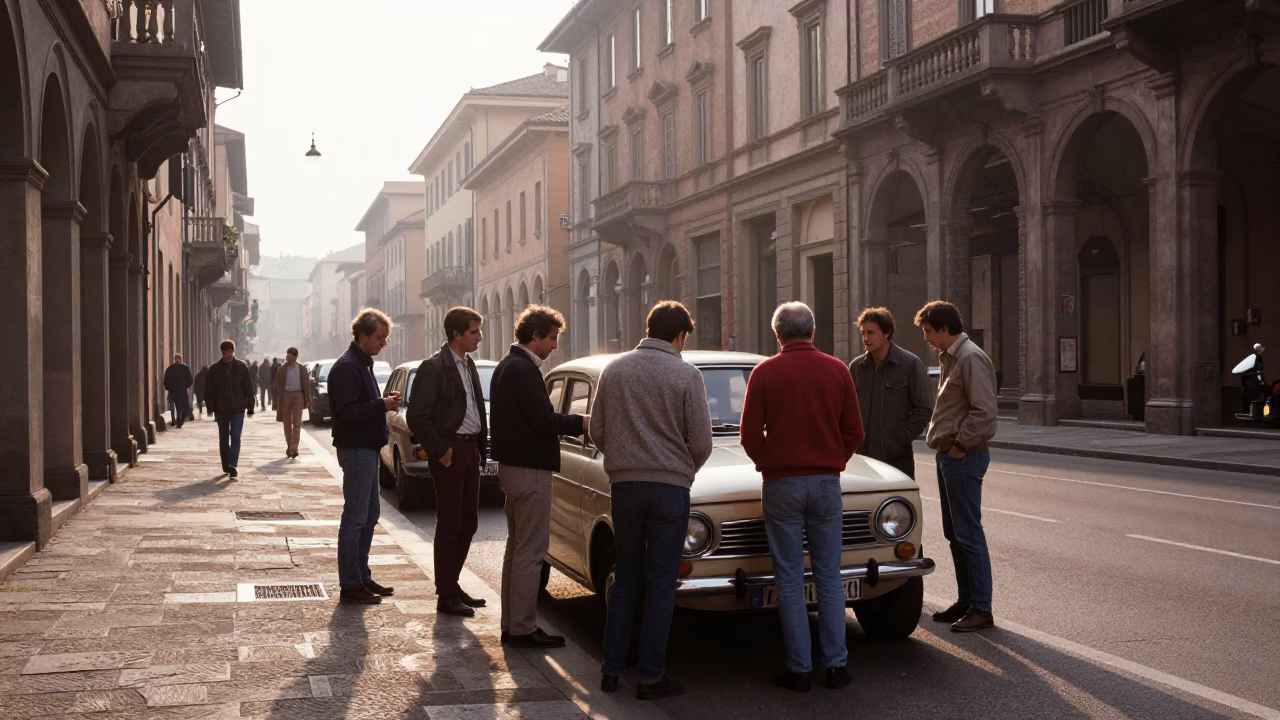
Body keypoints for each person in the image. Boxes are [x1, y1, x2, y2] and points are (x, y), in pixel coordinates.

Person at [592, 301, 713, 701]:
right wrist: (683, 468)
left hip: (625, 487)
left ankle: (610, 671)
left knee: (626, 577)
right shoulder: (686, 374)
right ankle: (650, 676)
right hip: (669, 489)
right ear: (679, 335)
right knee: (661, 584)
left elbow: (598, 430)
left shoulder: (615, 369)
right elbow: (701, 441)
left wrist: (624, 458)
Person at [740, 302, 864, 692]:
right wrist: (833, 461)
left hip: (781, 484)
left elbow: (748, 435)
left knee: (790, 578)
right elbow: (854, 431)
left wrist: (770, 462)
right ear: (812, 331)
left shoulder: (764, 372)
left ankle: (799, 670)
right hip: (826, 483)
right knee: (829, 575)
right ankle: (836, 666)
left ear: (778, 335)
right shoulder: (837, 369)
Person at [490, 306, 587, 649]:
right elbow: (544, 421)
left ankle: (512, 623)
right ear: (536, 336)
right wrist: (581, 422)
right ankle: (522, 627)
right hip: (529, 471)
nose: (554, 347)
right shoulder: (522, 369)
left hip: (516, 469)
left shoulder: (507, 365)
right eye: (552, 338)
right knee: (531, 551)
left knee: (516, 551)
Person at [915, 300, 999, 633]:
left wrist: (959, 446)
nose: (926, 338)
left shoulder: (970, 357)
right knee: (955, 533)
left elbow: (985, 411)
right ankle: (967, 600)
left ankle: (981, 607)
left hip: (963, 455)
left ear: (945, 329)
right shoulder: (951, 356)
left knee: (968, 532)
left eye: (928, 331)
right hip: (950, 455)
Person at [406, 307, 490, 618]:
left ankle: (452, 584)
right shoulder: (434, 367)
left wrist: (479, 449)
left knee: (469, 523)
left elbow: (475, 408)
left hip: (470, 450)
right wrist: (441, 451)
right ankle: (446, 594)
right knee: (450, 525)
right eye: (474, 332)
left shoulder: (468, 365)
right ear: (456, 334)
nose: (480, 337)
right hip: (450, 452)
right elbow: (417, 416)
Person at [329, 309, 401, 604]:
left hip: (367, 450)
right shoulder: (348, 367)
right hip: (357, 451)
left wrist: (380, 404)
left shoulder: (361, 364)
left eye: (385, 338)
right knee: (356, 518)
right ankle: (350, 584)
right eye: (379, 337)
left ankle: (361, 575)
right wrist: (381, 405)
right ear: (361, 336)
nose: (383, 343)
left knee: (370, 515)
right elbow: (346, 413)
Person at [849, 307, 934, 479]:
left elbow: (924, 408)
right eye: (863, 333)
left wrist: (900, 438)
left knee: (898, 504)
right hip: (862, 457)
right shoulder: (856, 367)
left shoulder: (910, 364)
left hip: (897, 458)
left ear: (887, 332)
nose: (865, 338)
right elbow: (848, 408)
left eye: (871, 332)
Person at [203, 340, 255, 478]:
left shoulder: (241, 367)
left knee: (236, 436)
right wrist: (210, 407)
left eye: (232, 351)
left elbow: (248, 388)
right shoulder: (215, 369)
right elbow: (209, 389)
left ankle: (232, 464)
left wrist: (250, 406)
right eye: (227, 351)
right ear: (223, 352)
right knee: (224, 438)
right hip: (222, 409)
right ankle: (225, 464)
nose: (230, 354)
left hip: (238, 407)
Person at [274, 348, 312, 459]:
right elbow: (276, 385)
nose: (287, 358)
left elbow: (306, 385)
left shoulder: (302, 369)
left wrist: (307, 398)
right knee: (286, 424)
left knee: (297, 424)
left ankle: (295, 448)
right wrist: (275, 399)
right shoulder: (282, 369)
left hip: (298, 397)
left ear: (295, 357)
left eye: (290, 356)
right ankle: (289, 445)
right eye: (287, 356)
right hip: (285, 397)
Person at [163, 353, 194, 429]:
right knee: (183, 407)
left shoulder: (170, 368)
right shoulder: (185, 367)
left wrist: (169, 388)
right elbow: (190, 380)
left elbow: (165, 380)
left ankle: (178, 421)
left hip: (174, 391)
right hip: (182, 390)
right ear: (181, 359)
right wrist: (186, 386)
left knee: (177, 406)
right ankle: (180, 421)